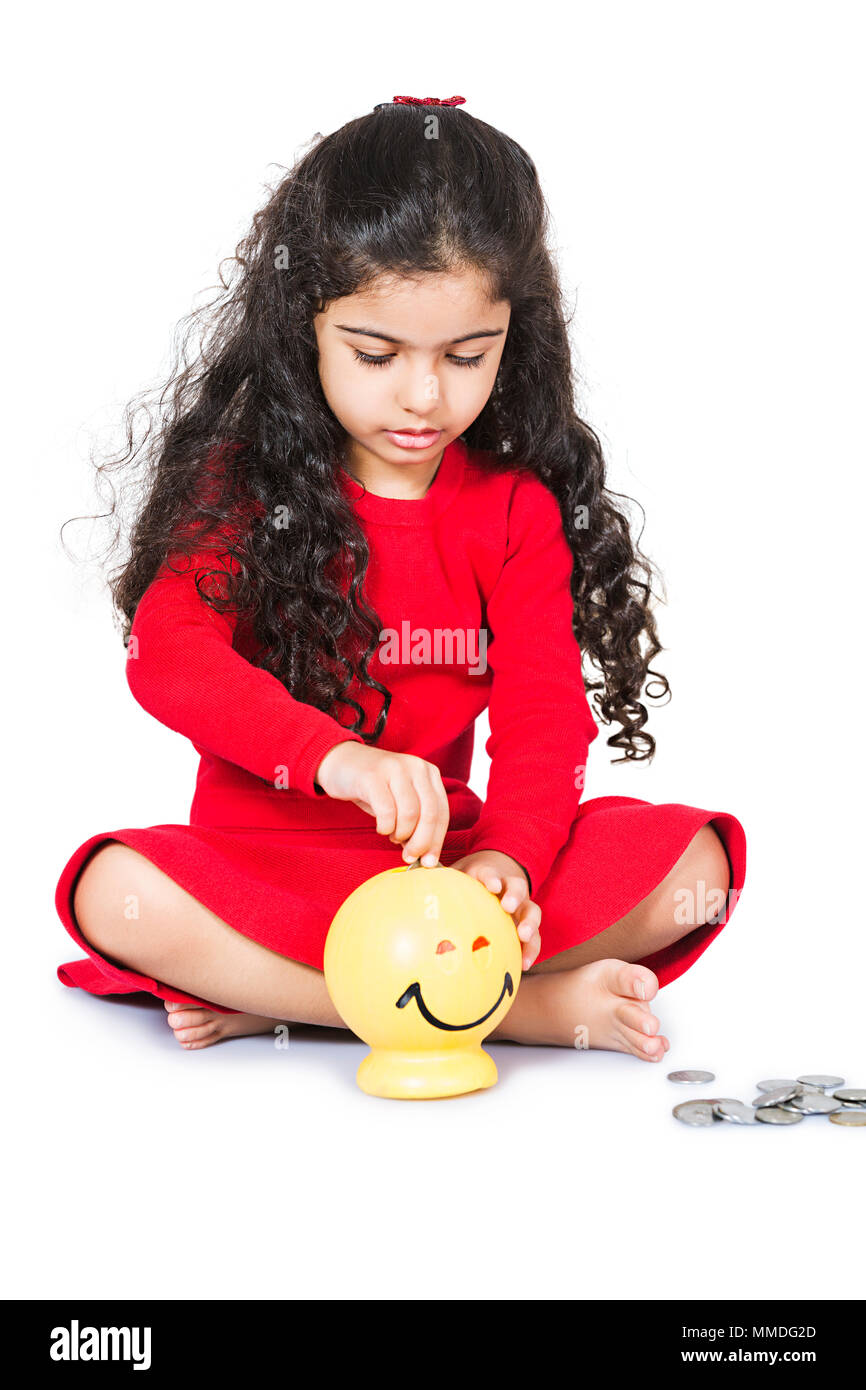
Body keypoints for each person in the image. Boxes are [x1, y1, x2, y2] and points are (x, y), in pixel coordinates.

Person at [55, 95, 746, 1060]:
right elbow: (170, 657)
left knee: (693, 862)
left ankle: (298, 1002)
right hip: (272, 868)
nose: (424, 396)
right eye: (376, 354)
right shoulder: (240, 484)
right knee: (111, 887)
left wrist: (507, 857)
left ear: (516, 335)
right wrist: (337, 758)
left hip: (443, 873)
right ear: (307, 327)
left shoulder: (515, 508)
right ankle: (506, 1009)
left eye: (468, 356)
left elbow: (546, 719)